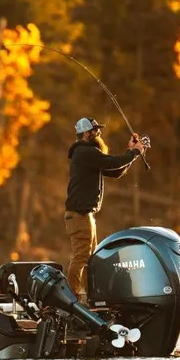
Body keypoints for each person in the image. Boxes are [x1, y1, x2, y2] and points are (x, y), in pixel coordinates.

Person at [64, 117, 147, 297]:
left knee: (90, 259)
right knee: (81, 258)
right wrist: (134, 153)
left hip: (85, 216)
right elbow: (113, 162)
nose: (98, 133)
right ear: (86, 133)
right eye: (95, 130)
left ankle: (89, 297)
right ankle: (71, 298)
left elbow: (115, 171)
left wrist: (131, 152)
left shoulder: (89, 154)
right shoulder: (85, 152)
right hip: (80, 215)